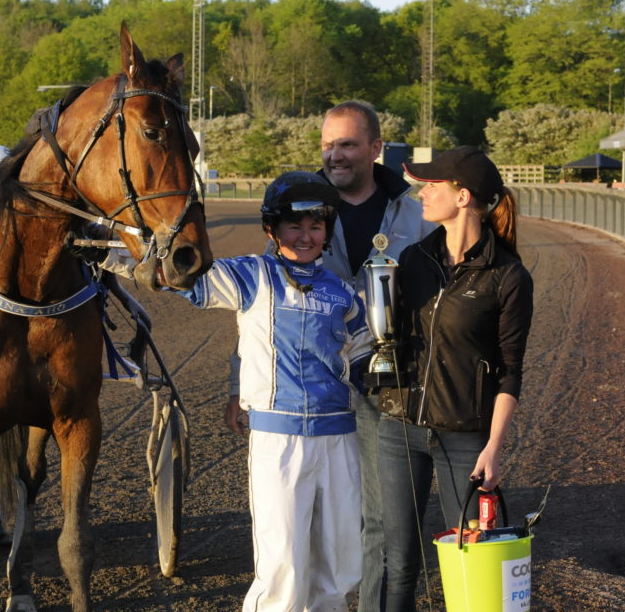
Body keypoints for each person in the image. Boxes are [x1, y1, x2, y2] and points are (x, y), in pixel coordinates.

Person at [224, 101, 434, 612]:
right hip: (318, 396)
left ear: (375, 148)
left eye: (347, 144)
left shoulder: (415, 210)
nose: (334, 155)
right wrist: (238, 384)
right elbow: (265, 308)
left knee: (378, 523)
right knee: (303, 537)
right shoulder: (303, 206)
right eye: (327, 145)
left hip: (395, 384)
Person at [183, 171, 373, 612]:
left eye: (316, 226)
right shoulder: (250, 275)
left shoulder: (343, 292)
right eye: (294, 225)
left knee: (342, 563)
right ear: (272, 228)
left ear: (327, 231)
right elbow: (185, 278)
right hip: (279, 437)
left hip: (340, 436)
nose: (306, 236)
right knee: (283, 563)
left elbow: (363, 356)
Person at [376, 146, 534, 612]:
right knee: (399, 563)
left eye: (432, 185)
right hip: (398, 429)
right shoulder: (412, 259)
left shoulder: (508, 276)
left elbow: (510, 371)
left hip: (466, 439)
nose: (422, 192)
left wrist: (494, 447)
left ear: (462, 196)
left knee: (467, 562)